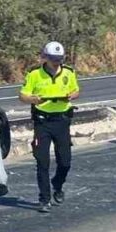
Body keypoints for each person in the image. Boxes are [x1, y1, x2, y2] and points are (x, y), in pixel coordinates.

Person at [19, 41, 80, 213]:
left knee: (65, 161)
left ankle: (57, 184)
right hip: (42, 122)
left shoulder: (68, 72)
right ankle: (44, 199)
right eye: (53, 59)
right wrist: (33, 99)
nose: (56, 62)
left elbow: (76, 90)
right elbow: (22, 96)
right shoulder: (34, 74)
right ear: (45, 57)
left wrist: (72, 95)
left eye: (59, 59)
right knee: (42, 161)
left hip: (62, 121)